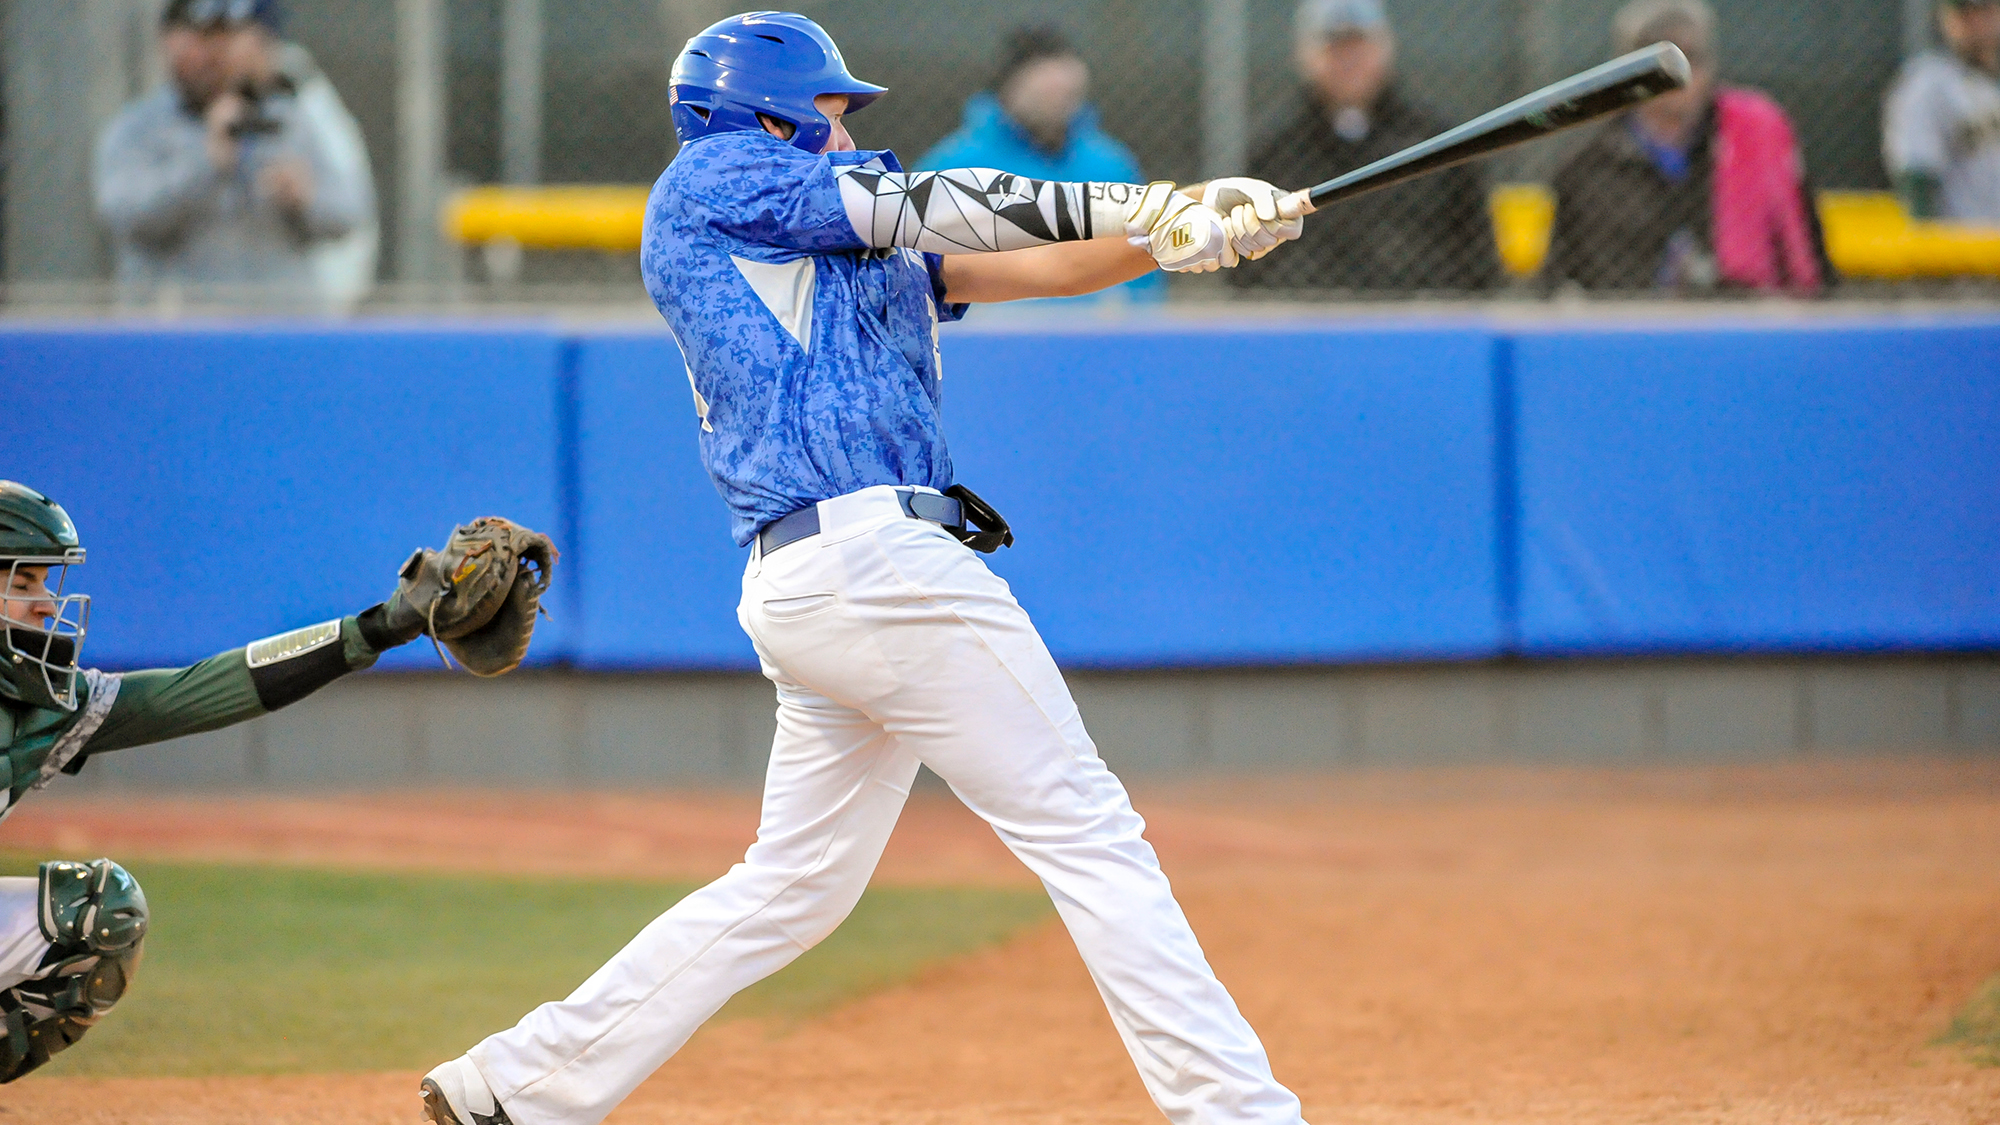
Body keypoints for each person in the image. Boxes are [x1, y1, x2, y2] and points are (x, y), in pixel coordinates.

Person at [417, 12, 1310, 1125]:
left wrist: (1189, 237)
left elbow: (1028, 262)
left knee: (789, 889)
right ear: (769, 112)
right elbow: (936, 199)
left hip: (835, 582)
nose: (846, 129)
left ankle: (515, 1085)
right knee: (1088, 831)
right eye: (832, 110)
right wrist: (1154, 198)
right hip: (874, 566)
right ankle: (1239, 1111)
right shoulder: (717, 184)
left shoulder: (834, 243)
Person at [0, 482, 512, 1082]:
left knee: (99, 911)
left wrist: (381, 626)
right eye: (21, 583)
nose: (44, 604)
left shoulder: (42, 707)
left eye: (43, 583)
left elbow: (201, 691)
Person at [93, 0, 373, 313]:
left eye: (228, 36)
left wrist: (305, 197)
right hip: (179, 336)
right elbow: (124, 215)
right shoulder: (141, 128)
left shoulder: (289, 119)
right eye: (203, 35)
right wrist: (206, 162)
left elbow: (350, 214)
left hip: (282, 333)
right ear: (169, 41)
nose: (216, 53)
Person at [1544, 0, 1826, 294]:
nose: (1675, 76)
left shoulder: (1754, 138)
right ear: (1626, 71)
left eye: (1689, 57)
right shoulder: (1587, 166)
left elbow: (1809, 262)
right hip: (1629, 329)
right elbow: (1558, 284)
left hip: (1740, 326)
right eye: (1656, 62)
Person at [1231, 0, 1500, 294]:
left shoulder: (1434, 141)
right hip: (1305, 325)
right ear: (1305, 56)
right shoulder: (1274, 151)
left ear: (1385, 49)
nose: (1349, 62)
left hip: (1418, 321)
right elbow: (1243, 265)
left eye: (1359, 47)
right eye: (1335, 49)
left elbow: (1479, 257)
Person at [918, 27, 1165, 304]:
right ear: (1007, 88)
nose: (1057, 102)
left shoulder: (1109, 164)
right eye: (1044, 92)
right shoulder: (955, 165)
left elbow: (1145, 267)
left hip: (1098, 330)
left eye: (1067, 94)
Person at [1885, 0, 2000, 223]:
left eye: (1983, 11)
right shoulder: (1928, 85)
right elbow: (1916, 175)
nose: (1975, 23)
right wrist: (1929, 249)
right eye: (1964, 14)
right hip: (1965, 249)